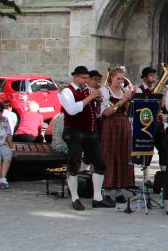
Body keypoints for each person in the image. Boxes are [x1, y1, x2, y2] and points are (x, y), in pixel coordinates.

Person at [58, 66, 114, 211]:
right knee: (74, 164)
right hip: (74, 132)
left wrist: (101, 101)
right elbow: (72, 110)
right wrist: (90, 97)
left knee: (100, 163)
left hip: (91, 132)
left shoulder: (88, 91)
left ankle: (97, 197)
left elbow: (102, 112)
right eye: (83, 78)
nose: (85, 81)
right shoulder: (67, 91)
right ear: (75, 77)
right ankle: (75, 198)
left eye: (87, 78)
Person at [100, 67, 135, 203]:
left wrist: (127, 101)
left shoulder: (123, 91)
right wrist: (122, 100)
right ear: (111, 78)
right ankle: (108, 190)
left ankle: (120, 189)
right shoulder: (105, 91)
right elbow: (106, 112)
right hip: (111, 124)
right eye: (118, 79)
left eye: (122, 79)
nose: (120, 82)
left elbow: (126, 111)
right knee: (110, 154)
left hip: (123, 124)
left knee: (123, 155)